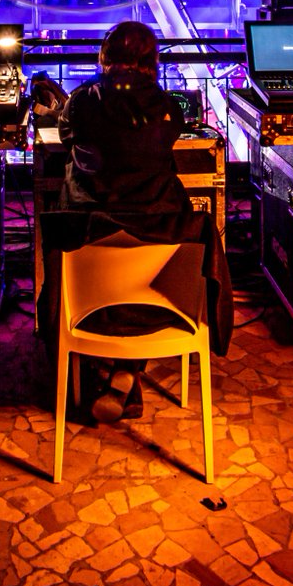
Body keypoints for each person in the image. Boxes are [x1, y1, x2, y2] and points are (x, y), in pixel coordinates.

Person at [38, 21, 232, 423]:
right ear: (152, 60)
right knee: (140, 280)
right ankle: (127, 373)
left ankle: (99, 367)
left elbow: (70, 138)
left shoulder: (79, 102)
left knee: (86, 253)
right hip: (159, 283)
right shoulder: (169, 109)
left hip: (89, 271)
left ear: (105, 57)